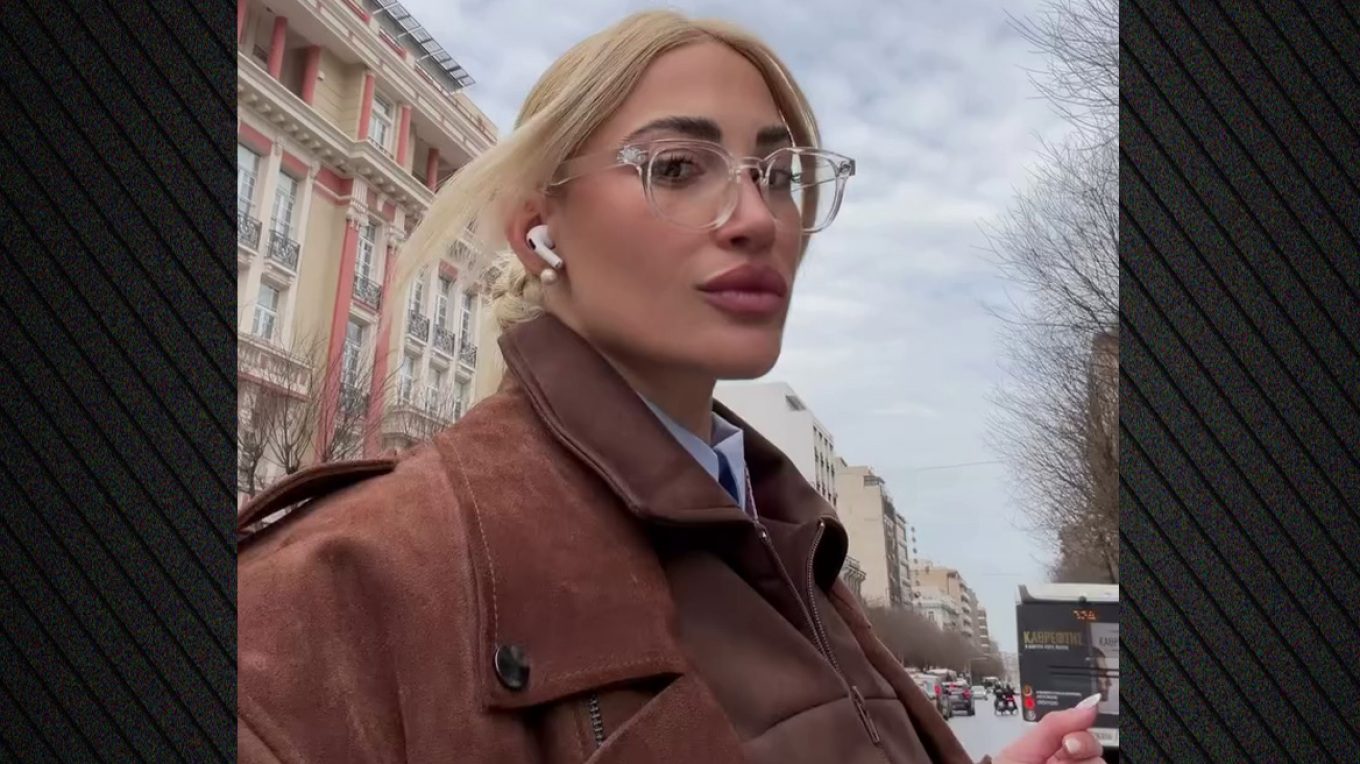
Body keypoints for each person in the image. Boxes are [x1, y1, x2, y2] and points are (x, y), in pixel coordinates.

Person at [236, 10, 1108, 764]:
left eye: (778, 175)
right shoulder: (332, 592)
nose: (758, 219)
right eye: (679, 168)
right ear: (539, 233)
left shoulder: (793, 542)